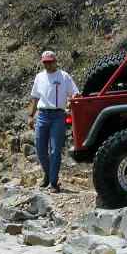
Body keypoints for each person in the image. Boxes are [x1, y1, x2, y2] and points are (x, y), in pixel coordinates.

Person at [28, 50, 79, 193]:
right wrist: (31, 116)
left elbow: (75, 93)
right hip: (42, 115)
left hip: (58, 116)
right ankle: (48, 174)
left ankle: (53, 182)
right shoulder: (39, 77)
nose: (48, 64)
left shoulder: (64, 76)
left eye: (50, 62)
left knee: (55, 150)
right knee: (40, 149)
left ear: (55, 61)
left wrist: (71, 100)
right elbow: (35, 98)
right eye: (45, 62)